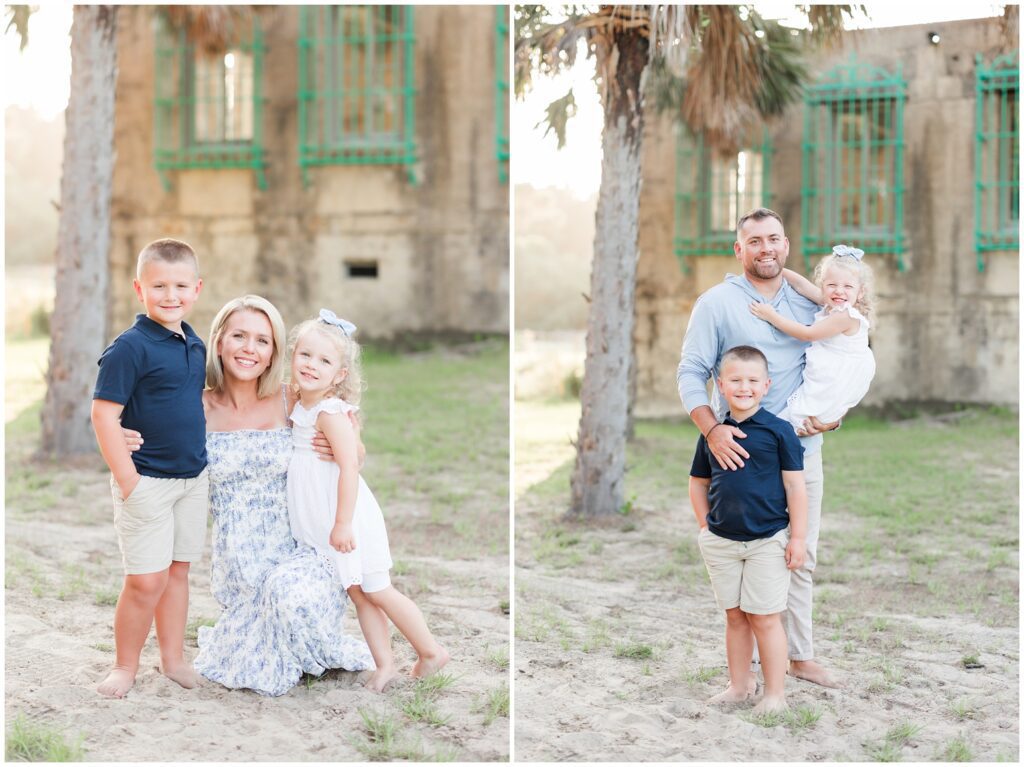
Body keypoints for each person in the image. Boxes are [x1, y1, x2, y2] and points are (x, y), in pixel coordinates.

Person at [123, 295, 375, 696]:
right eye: (239, 336)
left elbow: (350, 435)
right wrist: (123, 434)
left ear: (274, 351)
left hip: (301, 551)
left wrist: (352, 450)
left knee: (289, 598)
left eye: (262, 340)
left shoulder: (292, 397)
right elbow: (135, 420)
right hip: (238, 563)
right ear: (219, 341)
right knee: (245, 652)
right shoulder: (196, 406)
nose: (249, 349)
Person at [677, 207, 839, 689]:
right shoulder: (716, 303)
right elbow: (690, 372)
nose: (766, 249)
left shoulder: (813, 303)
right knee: (739, 554)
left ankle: (800, 656)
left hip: (801, 448)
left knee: (800, 554)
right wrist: (712, 430)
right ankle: (745, 672)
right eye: (755, 242)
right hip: (738, 454)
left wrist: (836, 412)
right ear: (739, 249)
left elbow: (844, 355)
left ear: (786, 245)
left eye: (774, 240)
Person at [285, 310, 449, 691]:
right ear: (292, 356)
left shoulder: (330, 412)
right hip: (325, 513)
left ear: (339, 375)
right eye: (305, 355)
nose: (311, 365)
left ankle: (430, 651)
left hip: (347, 515)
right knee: (358, 592)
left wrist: (342, 522)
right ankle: (386, 663)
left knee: (377, 588)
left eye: (325, 361)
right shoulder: (299, 401)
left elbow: (349, 468)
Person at [91, 238, 209, 698]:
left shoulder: (195, 343)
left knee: (178, 571)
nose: (170, 295)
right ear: (139, 288)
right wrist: (129, 481)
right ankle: (124, 665)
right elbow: (104, 414)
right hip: (147, 482)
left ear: (196, 288)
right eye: (159, 285)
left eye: (180, 285)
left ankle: (174, 659)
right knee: (146, 580)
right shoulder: (129, 347)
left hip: (192, 479)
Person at [690, 345, 807, 714]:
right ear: (721, 385)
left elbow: (794, 487)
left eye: (753, 380)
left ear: (767, 385)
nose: (744, 387)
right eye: (735, 380)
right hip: (722, 542)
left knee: (765, 617)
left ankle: (775, 695)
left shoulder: (779, 431)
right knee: (735, 616)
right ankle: (739, 686)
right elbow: (697, 483)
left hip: (767, 540)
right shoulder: (713, 433)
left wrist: (798, 538)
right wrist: (705, 526)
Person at [749, 244, 876, 432]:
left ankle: (774, 436)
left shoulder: (845, 316)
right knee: (793, 417)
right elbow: (801, 285)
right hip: (830, 367)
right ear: (823, 285)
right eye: (831, 285)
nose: (839, 291)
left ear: (861, 292)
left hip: (837, 376)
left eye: (848, 286)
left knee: (799, 414)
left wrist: (771, 316)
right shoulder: (832, 303)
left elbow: (806, 334)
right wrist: (776, 270)